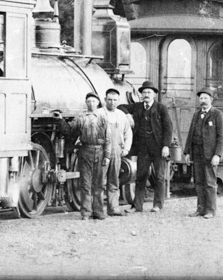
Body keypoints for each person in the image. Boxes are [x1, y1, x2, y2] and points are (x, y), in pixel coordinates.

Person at [55, 93, 111, 219]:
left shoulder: (103, 117)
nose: (91, 104)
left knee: (99, 184)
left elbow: (108, 138)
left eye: (93, 101)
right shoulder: (80, 118)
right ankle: (86, 213)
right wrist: (60, 119)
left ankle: (99, 212)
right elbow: (69, 130)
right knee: (85, 183)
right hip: (85, 151)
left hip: (100, 151)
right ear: (86, 103)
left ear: (98, 103)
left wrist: (107, 156)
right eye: (89, 101)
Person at [129, 81, 175, 213]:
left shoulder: (161, 108)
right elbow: (121, 106)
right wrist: (127, 114)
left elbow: (168, 128)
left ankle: (157, 205)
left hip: (158, 148)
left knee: (159, 177)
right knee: (140, 176)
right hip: (143, 148)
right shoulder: (137, 107)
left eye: (149, 92)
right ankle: (137, 206)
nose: (146, 94)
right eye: (144, 92)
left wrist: (166, 146)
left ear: (154, 94)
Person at [183, 88, 223, 219]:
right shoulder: (196, 114)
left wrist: (217, 155)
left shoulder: (217, 114)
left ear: (211, 100)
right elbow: (191, 134)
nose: (203, 101)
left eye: (205, 98)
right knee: (198, 182)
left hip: (210, 155)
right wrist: (187, 152)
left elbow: (222, 137)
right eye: (201, 98)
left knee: (209, 182)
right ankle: (200, 209)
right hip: (197, 153)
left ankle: (210, 210)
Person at [102, 88, 132, 217]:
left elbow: (128, 133)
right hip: (102, 152)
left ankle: (113, 208)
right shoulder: (99, 113)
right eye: (109, 100)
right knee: (99, 181)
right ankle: (97, 210)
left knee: (114, 180)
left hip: (117, 151)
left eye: (114, 100)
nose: (112, 103)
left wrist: (126, 149)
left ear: (118, 101)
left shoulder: (121, 115)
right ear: (105, 100)